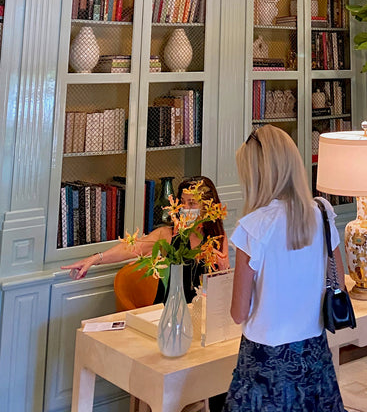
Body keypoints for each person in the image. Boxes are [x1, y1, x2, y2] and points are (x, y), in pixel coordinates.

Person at [225, 125, 346, 412]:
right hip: (314, 354)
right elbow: (339, 281)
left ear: (258, 176)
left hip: (265, 362)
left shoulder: (253, 228)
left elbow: (238, 313)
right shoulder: (322, 214)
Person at [62, 174, 229, 299]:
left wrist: (223, 269)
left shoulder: (217, 236)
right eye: (182, 202)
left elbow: (222, 281)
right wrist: (94, 259)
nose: (185, 208)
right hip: (169, 310)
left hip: (202, 311)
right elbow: (133, 248)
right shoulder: (168, 235)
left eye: (192, 203)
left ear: (208, 206)